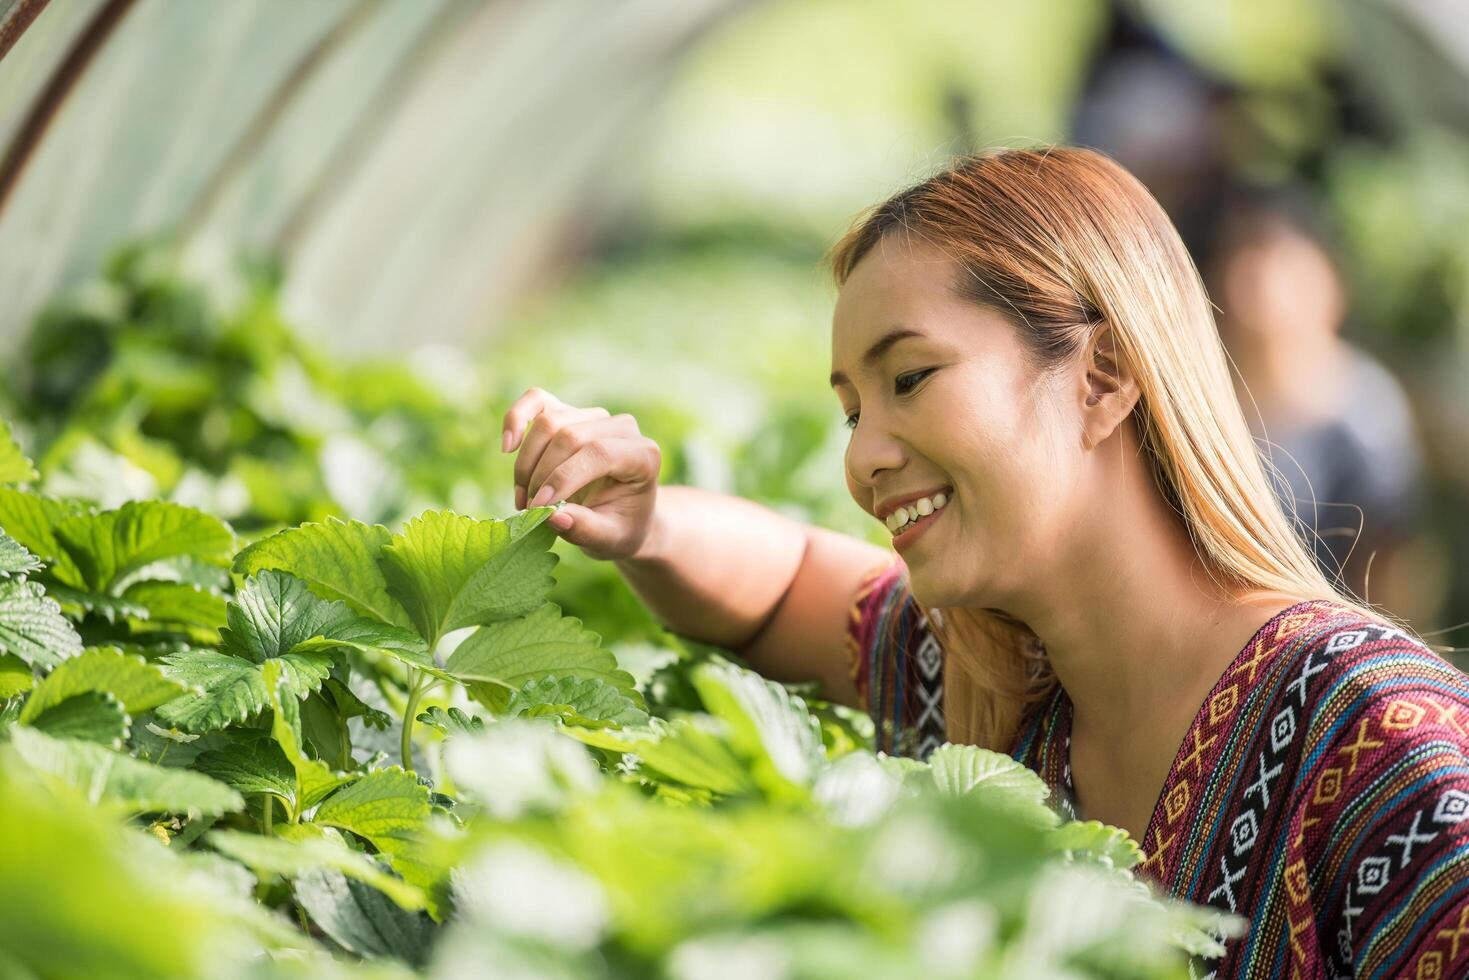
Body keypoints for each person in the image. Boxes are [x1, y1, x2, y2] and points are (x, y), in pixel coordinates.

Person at [500, 147, 1469, 979]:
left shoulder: (1381, 749)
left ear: (1101, 377)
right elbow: (786, 581)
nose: (860, 456)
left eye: (908, 378)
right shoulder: (1002, 686)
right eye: (851, 409)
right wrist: (647, 521)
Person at [1202, 184, 1439, 628]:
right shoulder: (1210, 401)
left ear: (1326, 280)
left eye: (1271, 256)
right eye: (1239, 256)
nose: (1250, 281)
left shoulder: (1366, 413)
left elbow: (1394, 566)